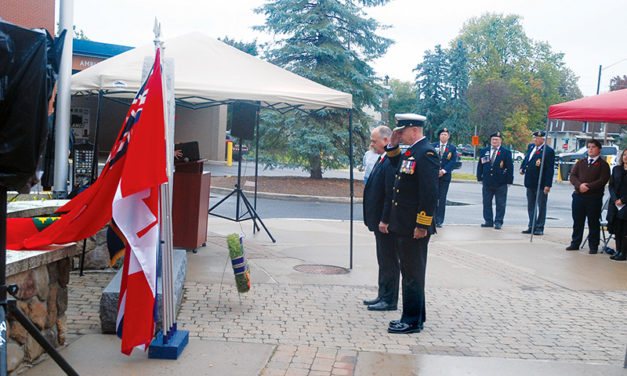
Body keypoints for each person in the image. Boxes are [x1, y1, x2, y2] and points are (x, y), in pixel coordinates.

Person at [384, 113, 439, 334]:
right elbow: (399, 168)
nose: (400, 134)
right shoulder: (413, 151)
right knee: (410, 272)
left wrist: (422, 225)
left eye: (402, 131)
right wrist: (393, 145)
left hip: (414, 227)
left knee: (412, 275)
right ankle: (416, 316)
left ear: (414, 130)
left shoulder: (425, 153)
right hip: (405, 224)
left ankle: (411, 321)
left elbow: (429, 193)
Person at [362, 125, 400, 310]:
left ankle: (389, 300)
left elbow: (389, 195)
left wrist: (385, 220)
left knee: (389, 261)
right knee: (383, 260)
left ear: (386, 141)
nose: (372, 144)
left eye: (374, 141)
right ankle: (382, 295)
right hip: (379, 222)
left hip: (386, 223)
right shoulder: (382, 158)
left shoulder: (391, 162)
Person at [566, 139, 610, 253]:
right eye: (589, 147)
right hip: (578, 197)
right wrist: (579, 185)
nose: (590, 149)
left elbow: (602, 180)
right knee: (577, 221)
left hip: (593, 198)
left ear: (599, 149)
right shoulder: (581, 162)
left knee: (593, 222)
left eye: (593, 147)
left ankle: (593, 246)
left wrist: (588, 186)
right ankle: (575, 243)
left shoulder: (603, 165)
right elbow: (572, 176)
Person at [519, 130, 555, 236]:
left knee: (541, 205)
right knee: (531, 205)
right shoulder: (531, 147)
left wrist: (548, 185)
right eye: (534, 138)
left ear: (543, 139)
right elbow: (527, 159)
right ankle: (532, 225)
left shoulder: (547, 151)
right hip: (530, 182)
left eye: (538, 138)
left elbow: (549, 169)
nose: (535, 140)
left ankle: (539, 227)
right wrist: (522, 167)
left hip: (541, 183)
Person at [476, 131, 513, 230]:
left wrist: (509, 181)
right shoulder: (485, 151)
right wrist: (479, 177)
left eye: (496, 139)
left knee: (500, 203)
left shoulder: (505, 152)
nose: (494, 141)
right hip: (487, 181)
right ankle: (488, 221)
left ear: (500, 141)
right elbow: (480, 165)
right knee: (486, 202)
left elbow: (510, 167)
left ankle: (498, 221)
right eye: (493, 139)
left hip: (501, 182)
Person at [432, 128, 457, 227]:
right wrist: (435, 170)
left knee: (442, 199)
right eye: (442, 134)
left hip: (445, 177)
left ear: (448, 136)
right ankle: (432, 218)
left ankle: (439, 220)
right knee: (433, 197)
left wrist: (443, 171)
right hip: (434, 176)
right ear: (439, 136)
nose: (443, 136)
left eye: (445, 134)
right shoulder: (433, 146)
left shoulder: (452, 148)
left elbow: (452, 162)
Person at [608, 148, 627, 261]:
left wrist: (623, 200)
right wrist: (615, 199)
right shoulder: (616, 169)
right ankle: (618, 250)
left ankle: (623, 253)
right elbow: (611, 186)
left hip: (625, 204)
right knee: (617, 229)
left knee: (624, 229)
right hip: (615, 203)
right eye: (624, 154)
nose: (625, 157)